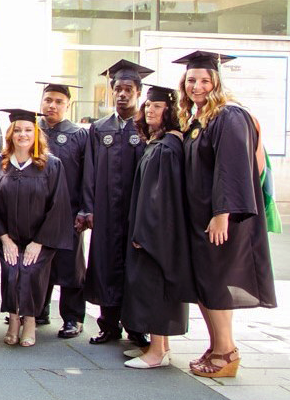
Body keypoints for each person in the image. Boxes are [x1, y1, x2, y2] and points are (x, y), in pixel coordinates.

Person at [175, 51, 277, 378]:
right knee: (207, 282)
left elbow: (233, 169)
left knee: (217, 283)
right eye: (192, 80)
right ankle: (218, 345)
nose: (198, 86)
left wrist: (223, 213)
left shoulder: (229, 116)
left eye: (205, 80)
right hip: (201, 218)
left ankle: (226, 352)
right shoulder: (198, 117)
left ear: (217, 82)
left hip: (220, 219)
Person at [122, 84, 195, 369]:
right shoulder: (160, 143)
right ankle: (160, 346)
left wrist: (145, 231)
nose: (150, 110)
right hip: (154, 228)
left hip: (157, 231)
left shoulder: (167, 147)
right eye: (148, 105)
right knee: (150, 285)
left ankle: (156, 353)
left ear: (170, 112)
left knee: (155, 286)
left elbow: (160, 197)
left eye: (157, 106)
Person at [81, 59, 153, 348]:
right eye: (118, 89)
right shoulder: (99, 128)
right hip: (107, 212)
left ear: (138, 92)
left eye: (128, 89)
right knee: (106, 265)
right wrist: (88, 209)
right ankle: (108, 325)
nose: (122, 94)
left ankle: (137, 327)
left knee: (136, 268)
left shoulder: (147, 127)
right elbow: (89, 172)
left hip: (136, 213)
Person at [0, 109, 73, 347]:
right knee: (12, 269)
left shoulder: (51, 165)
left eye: (28, 130)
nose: (23, 134)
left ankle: (31, 321)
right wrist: (4, 238)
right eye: (18, 130)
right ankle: (14, 319)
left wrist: (40, 242)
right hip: (9, 237)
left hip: (40, 239)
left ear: (36, 134)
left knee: (31, 271)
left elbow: (59, 206)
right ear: (10, 134)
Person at [35, 81, 89, 338]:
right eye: (48, 100)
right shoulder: (32, 130)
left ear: (68, 105)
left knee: (70, 266)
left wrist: (85, 210)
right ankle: (39, 310)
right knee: (39, 262)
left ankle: (72, 317)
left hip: (69, 211)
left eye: (58, 101)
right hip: (37, 212)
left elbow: (87, 176)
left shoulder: (79, 134)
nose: (52, 105)